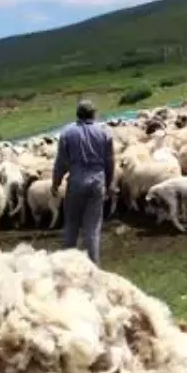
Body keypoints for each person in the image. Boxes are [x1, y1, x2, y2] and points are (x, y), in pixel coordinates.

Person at [52, 99, 114, 266]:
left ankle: (67, 265)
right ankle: (94, 266)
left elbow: (61, 162)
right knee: (92, 228)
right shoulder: (104, 132)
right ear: (94, 113)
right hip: (97, 181)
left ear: (77, 115)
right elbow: (110, 161)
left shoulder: (67, 133)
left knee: (71, 224)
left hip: (76, 181)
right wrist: (109, 184)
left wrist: (55, 183)